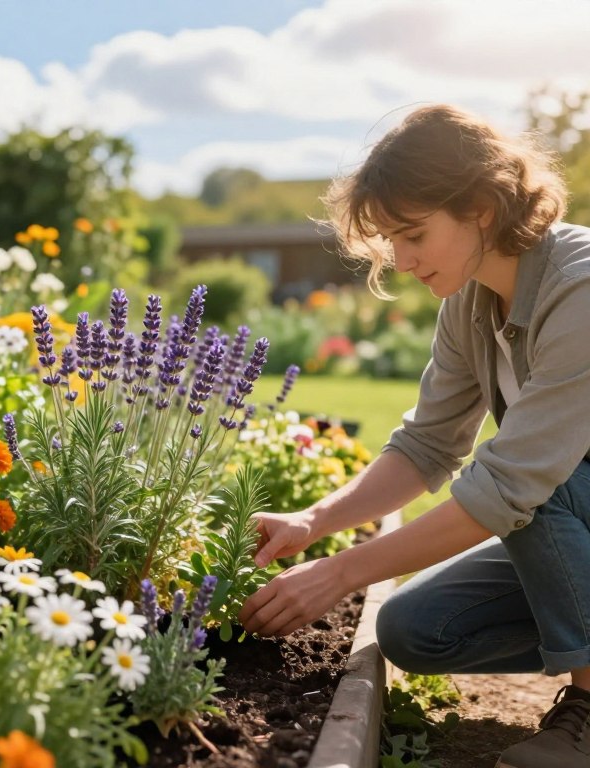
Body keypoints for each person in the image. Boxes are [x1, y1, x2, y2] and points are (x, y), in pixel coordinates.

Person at [238, 104, 590, 768]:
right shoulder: (471, 300)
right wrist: (314, 522)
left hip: (563, 495)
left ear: (481, 207)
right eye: (391, 240)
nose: (401, 261)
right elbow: (428, 445)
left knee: (534, 483)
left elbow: (513, 484)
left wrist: (340, 573)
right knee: (415, 631)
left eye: (414, 235)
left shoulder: (580, 289)